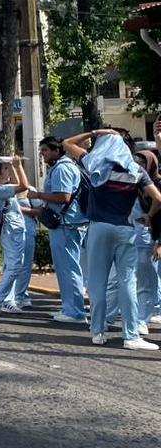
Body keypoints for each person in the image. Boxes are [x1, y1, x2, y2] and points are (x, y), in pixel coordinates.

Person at [63, 129, 161, 350]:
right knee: (128, 281)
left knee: (98, 282)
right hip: (125, 228)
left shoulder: (94, 164)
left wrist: (94, 132)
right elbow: (158, 198)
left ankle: (97, 332)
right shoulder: (136, 170)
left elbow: (67, 142)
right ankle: (131, 335)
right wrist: (149, 215)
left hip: (98, 227)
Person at [29, 136, 88, 323]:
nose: (42, 154)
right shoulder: (64, 166)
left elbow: (63, 196)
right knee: (70, 268)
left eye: (45, 150)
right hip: (69, 224)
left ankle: (74, 312)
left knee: (68, 269)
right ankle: (71, 308)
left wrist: (38, 194)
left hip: (65, 225)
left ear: (57, 150)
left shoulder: (62, 168)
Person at [0, 158, 31, 315]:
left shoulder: (3, 187)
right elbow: (24, 186)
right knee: (15, 266)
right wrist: (18, 166)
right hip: (11, 230)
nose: (9, 172)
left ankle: (7, 300)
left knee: (11, 265)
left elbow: (19, 186)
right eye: (6, 169)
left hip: (14, 228)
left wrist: (12, 166)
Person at [130, 150, 161, 334]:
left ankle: (144, 317)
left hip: (151, 237)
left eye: (142, 162)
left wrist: (159, 243)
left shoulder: (156, 184)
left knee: (147, 278)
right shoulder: (136, 184)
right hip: (140, 236)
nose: (138, 165)